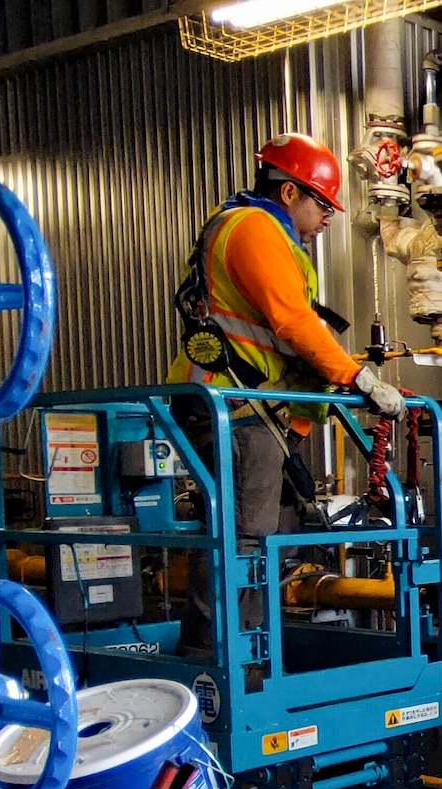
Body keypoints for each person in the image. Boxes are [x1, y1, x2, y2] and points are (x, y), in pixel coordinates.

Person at [166, 133, 405, 645]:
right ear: (290, 192)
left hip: (258, 409)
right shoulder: (252, 228)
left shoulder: (270, 235)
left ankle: (251, 646)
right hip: (233, 405)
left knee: (273, 535)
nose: (328, 218)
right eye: (323, 204)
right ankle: (219, 659)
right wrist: (356, 377)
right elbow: (293, 323)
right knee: (242, 537)